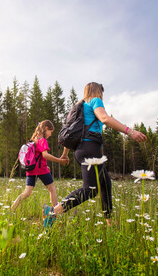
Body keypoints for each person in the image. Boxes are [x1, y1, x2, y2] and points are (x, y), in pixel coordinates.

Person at [42, 82, 147, 227]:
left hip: (80, 150)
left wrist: (65, 154)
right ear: (97, 91)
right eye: (101, 93)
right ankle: (53, 212)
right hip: (91, 149)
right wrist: (130, 131)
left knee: (105, 183)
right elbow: (105, 118)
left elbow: (70, 132)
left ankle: (109, 222)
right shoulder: (94, 101)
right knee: (90, 190)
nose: (102, 96)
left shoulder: (78, 107)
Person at [11, 120, 68, 212]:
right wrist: (59, 160)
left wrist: (45, 165)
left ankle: (12, 208)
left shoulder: (34, 138)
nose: (50, 134)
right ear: (46, 129)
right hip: (41, 169)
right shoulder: (42, 140)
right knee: (52, 190)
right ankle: (56, 212)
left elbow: (37, 156)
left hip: (31, 169)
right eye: (50, 131)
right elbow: (45, 155)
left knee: (27, 192)